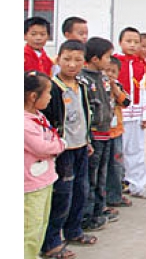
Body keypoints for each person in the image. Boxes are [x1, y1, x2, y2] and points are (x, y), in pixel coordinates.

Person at [41, 40, 96, 256]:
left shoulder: (82, 86)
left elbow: (85, 114)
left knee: (80, 191)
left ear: (84, 62)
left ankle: (74, 230)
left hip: (81, 146)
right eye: (67, 59)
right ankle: (51, 242)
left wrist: (88, 139)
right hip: (62, 150)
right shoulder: (52, 89)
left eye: (77, 60)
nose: (72, 64)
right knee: (62, 195)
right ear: (58, 60)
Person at [25, 71, 67, 259]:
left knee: (40, 225)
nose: (50, 97)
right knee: (29, 230)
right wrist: (60, 145)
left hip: (44, 180)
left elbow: (51, 138)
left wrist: (56, 144)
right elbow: (42, 147)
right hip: (30, 186)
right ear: (33, 96)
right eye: (48, 93)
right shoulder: (24, 123)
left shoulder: (39, 116)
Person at [79, 37, 117, 232]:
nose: (109, 61)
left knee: (102, 174)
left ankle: (99, 209)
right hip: (93, 135)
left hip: (106, 132)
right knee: (90, 177)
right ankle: (87, 216)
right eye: (107, 57)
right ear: (95, 59)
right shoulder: (83, 79)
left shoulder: (103, 78)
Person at [115, 27, 146, 200]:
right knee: (117, 152)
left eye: (136, 42)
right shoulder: (114, 62)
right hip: (117, 115)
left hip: (136, 115)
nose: (132, 45)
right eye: (128, 41)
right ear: (120, 42)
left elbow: (144, 91)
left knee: (136, 151)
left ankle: (137, 185)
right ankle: (116, 187)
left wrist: (145, 116)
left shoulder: (142, 65)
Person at [104, 56, 132, 210]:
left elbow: (126, 102)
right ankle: (102, 198)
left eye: (113, 71)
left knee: (117, 165)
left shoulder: (118, 86)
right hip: (101, 132)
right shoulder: (96, 85)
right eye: (106, 70)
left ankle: (115, 195)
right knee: (102, 166)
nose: (109, 74)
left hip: (116, 132)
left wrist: (114, 88)